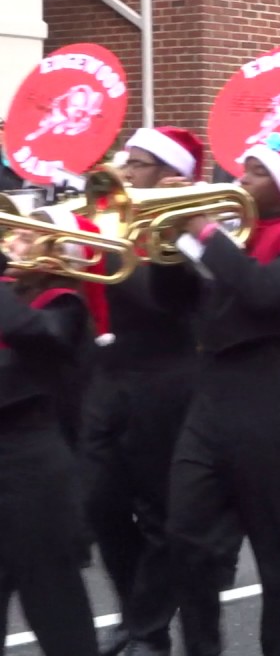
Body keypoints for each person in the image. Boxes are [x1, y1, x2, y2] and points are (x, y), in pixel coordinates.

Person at [154, 136, 280, 656]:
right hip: (210, 398)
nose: (241, 179)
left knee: (275, 548)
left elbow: (262, 293)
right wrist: (168, 236)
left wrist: (202, 231)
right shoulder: (228, 235)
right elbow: (172, 302)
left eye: (256, 172)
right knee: (186, 538)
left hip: (268, 402)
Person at [79, 127, 204, 656]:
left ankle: (150, 628)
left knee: (158, 515)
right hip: (105, 380)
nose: (125, 173)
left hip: (165, 383)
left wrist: (179, 230)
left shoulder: (193, 234)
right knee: (101, 507)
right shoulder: (112, 224)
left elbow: (168, 302)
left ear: (171, 175)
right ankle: (134, 611)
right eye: (127, 162)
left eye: (139, 164)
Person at [0, 232, 100, 656]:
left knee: (54, 601)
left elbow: (27, 333)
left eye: (30, 235)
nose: (17, 240)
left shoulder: (61, 304)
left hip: (28, 453)